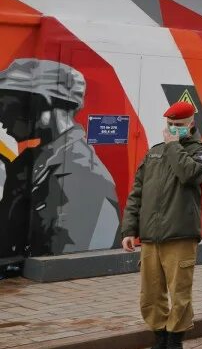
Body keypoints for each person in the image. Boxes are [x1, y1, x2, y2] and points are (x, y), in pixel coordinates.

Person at [120, 101, 202, 349]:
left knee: (179, 293)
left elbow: (191, 176)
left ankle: (175, 342)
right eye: (170, 125)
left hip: (180, 235)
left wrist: (174, 146)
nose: (173, 129)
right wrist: (129, 229)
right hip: (151, 237)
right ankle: (159, 340)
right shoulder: (154, 153)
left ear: (191, 124)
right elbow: (137, 193)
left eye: (179, 125)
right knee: (150, 295)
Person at [0, 58, 120, 262]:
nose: (2, 118)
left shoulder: (84, 176)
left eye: (7, 107)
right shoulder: (30, 162)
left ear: (44, 106)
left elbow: (73, 265)